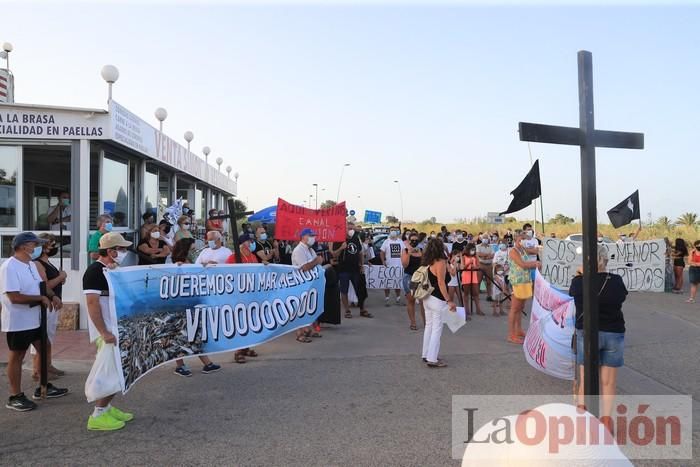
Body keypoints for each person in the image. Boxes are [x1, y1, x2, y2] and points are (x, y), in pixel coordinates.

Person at [1, 232, 68, 412]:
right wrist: (41, 298)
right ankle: (15, 396)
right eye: (34, 244)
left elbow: (42, 285)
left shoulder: (30, 264)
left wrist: (52, 296)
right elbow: (14, 296)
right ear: (23, 246)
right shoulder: (9, 267)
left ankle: (43, 385)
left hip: (36, 319)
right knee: (17, 356)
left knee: (44, 348)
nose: (36, 247)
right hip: (19, 321)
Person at [82, 232, 134, 430]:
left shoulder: (111, 270)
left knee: (117, 372)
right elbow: (92, 303)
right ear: (111, 251)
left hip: (116, 329)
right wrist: (104, 332)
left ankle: (107, 407)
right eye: (121, 249)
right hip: (109, 332)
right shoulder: (94, 272)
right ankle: (98, 415)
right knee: (109, 373)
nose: (124, 252)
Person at [569, 248, 628, 419]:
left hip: (587, 333)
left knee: (585, 379)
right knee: (608, 382)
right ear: (605, 261)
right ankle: (607, 420)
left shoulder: (579, 282)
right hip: (613, 332)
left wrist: (580, 273)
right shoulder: (616, 281)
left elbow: (574, 297)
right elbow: (621, 298)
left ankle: (583, 419)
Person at [169, 238, 222, 376]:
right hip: (182, 305)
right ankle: (185, 365)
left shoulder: (189, 263)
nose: (194, 252)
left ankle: (205, 363)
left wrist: (205, 266)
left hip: (191, 304)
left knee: (193, 335)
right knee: (183, 336)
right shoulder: (177, 264)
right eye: (192, 249)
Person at [31, 234, 68, 381]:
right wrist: (60, 277)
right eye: (52, 244)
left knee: (50, 336)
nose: (55, 247)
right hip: (45, 304)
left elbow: (55, 282)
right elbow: (44, 285)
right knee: (42, 338)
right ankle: (37, 369)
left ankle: (48, 364)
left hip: (54, 302)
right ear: (44, 247)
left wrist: (60, 278)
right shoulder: (38, 263)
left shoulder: (48, 262)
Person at [421, 238, 456, 368]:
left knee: (429, 326)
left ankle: (426, 354)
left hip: (427, 297)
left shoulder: (428, 261)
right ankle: (432, 358)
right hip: (437, 298)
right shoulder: (440, 262)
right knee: (437, 328)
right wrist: (449, 300)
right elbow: (441, 282)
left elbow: (449, 274)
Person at [331, 222, 371, 319]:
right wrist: (341, 248)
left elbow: (360, 253)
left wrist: (361, 265)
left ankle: (362, 309)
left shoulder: (355, 239)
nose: (349, 231)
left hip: (355, 269)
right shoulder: (338, 240)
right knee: (344, 290)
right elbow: (334, 255)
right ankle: (347, 310)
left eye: (349, 229)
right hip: (343, 270)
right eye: (347, 229)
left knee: (360, 290)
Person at [292, 229, 325, 343]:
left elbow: (317, 264)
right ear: (303, 237)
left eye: (313, 236)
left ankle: (308, 329)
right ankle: (299, 333)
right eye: (310, 235)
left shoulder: (310, 250)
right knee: (300, 309)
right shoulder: (299, 250)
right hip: (301, 284)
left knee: (309, 308)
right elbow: (304, 267)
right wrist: (317, 261)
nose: (313, 238)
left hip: (311, 284)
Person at [507, 230, 540, 344]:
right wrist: (535, 264)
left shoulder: (523, 249)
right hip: (517, 282)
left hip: (525, 281)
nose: (523, 241)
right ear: (516, 240)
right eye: (521, 239)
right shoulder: (513, 251)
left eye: (524, 239)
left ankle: (518, 330)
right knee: (515, 308)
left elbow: (535, 251)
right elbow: (522, 264)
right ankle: (511, 335)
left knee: (520, 308)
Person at [401, 232, 425, 331]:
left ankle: (426, 322)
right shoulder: (405, 250)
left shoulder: (421, 250)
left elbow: (425, 264)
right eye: (412, 240)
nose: (414, 242)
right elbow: (404, 265)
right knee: (411, 300)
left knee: (423, 301)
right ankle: (413, 322)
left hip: (420, 278)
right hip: (409, 277)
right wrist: (409, 253)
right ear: (409, 241)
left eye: (416, 240)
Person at [380, 227, 403, 306]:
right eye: (392, 230)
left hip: (399, 266)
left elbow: (405, 252)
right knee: (387, 283)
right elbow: (382, 252)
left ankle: (398, 298)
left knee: (397, 283)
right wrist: (383, 261)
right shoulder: (386, 242)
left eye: (395, 230)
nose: (393, 232)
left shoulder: (400, 242)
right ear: (389, 232)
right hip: (388, 266)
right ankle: (387, 298)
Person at [460, 243, 483, 317]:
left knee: (476, 293)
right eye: (472, 249)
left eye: (474, 249)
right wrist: (468, 264)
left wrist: (475, 266)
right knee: (466, 293)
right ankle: (466, 310)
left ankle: (478, 309)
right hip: (466, 276)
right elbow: (462, 267)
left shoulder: (475, 256)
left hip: (474, 275)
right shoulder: (463, 257)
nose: (473, 251)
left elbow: (479, 266)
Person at [476, 235, 494, 301]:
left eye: (486, 238)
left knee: (489, 282)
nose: (485, 239)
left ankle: (489, 296)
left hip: (489, 265)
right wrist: (487, 255)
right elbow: (478, 254)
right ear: (482, 239)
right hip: (481, 265)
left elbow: (492, 255)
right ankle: (476, 296)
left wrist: (484, 256)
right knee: (478, 281)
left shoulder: (491, 247)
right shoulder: (478, 246)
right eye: (484, 238)